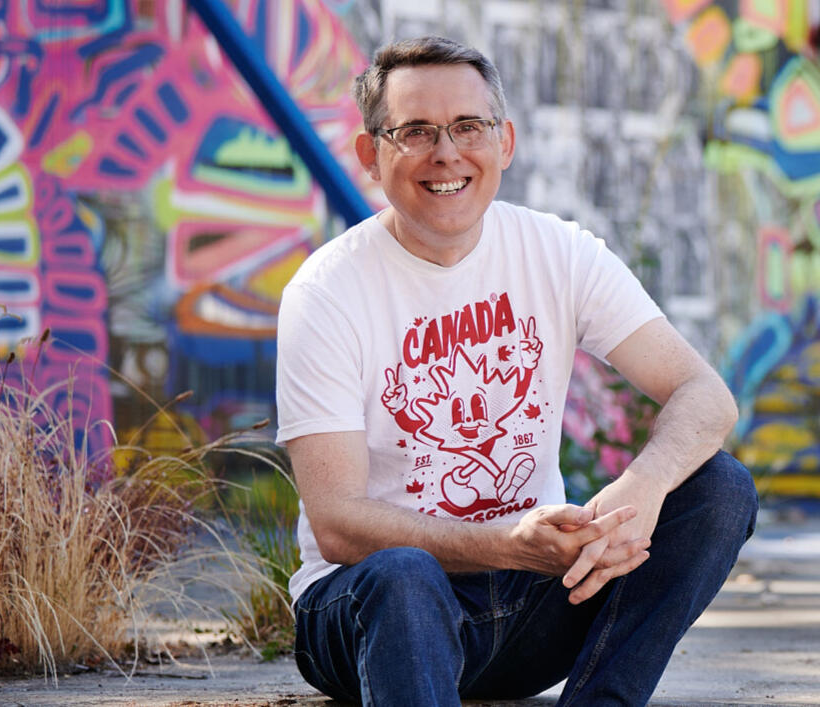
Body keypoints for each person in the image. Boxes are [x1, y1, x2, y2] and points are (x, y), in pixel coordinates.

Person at [273, 35, 756, 706]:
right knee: (404, 575)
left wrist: (643, 487)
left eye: (468, 126)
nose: (447, 152)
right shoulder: (327, 291)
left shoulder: (558, 252)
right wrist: (504, 544)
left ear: (505, 142)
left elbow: (706, 395)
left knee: (720, 488)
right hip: (371, 612)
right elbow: (337, 524)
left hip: (528, 605)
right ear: (369, 154)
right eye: (415, 131)